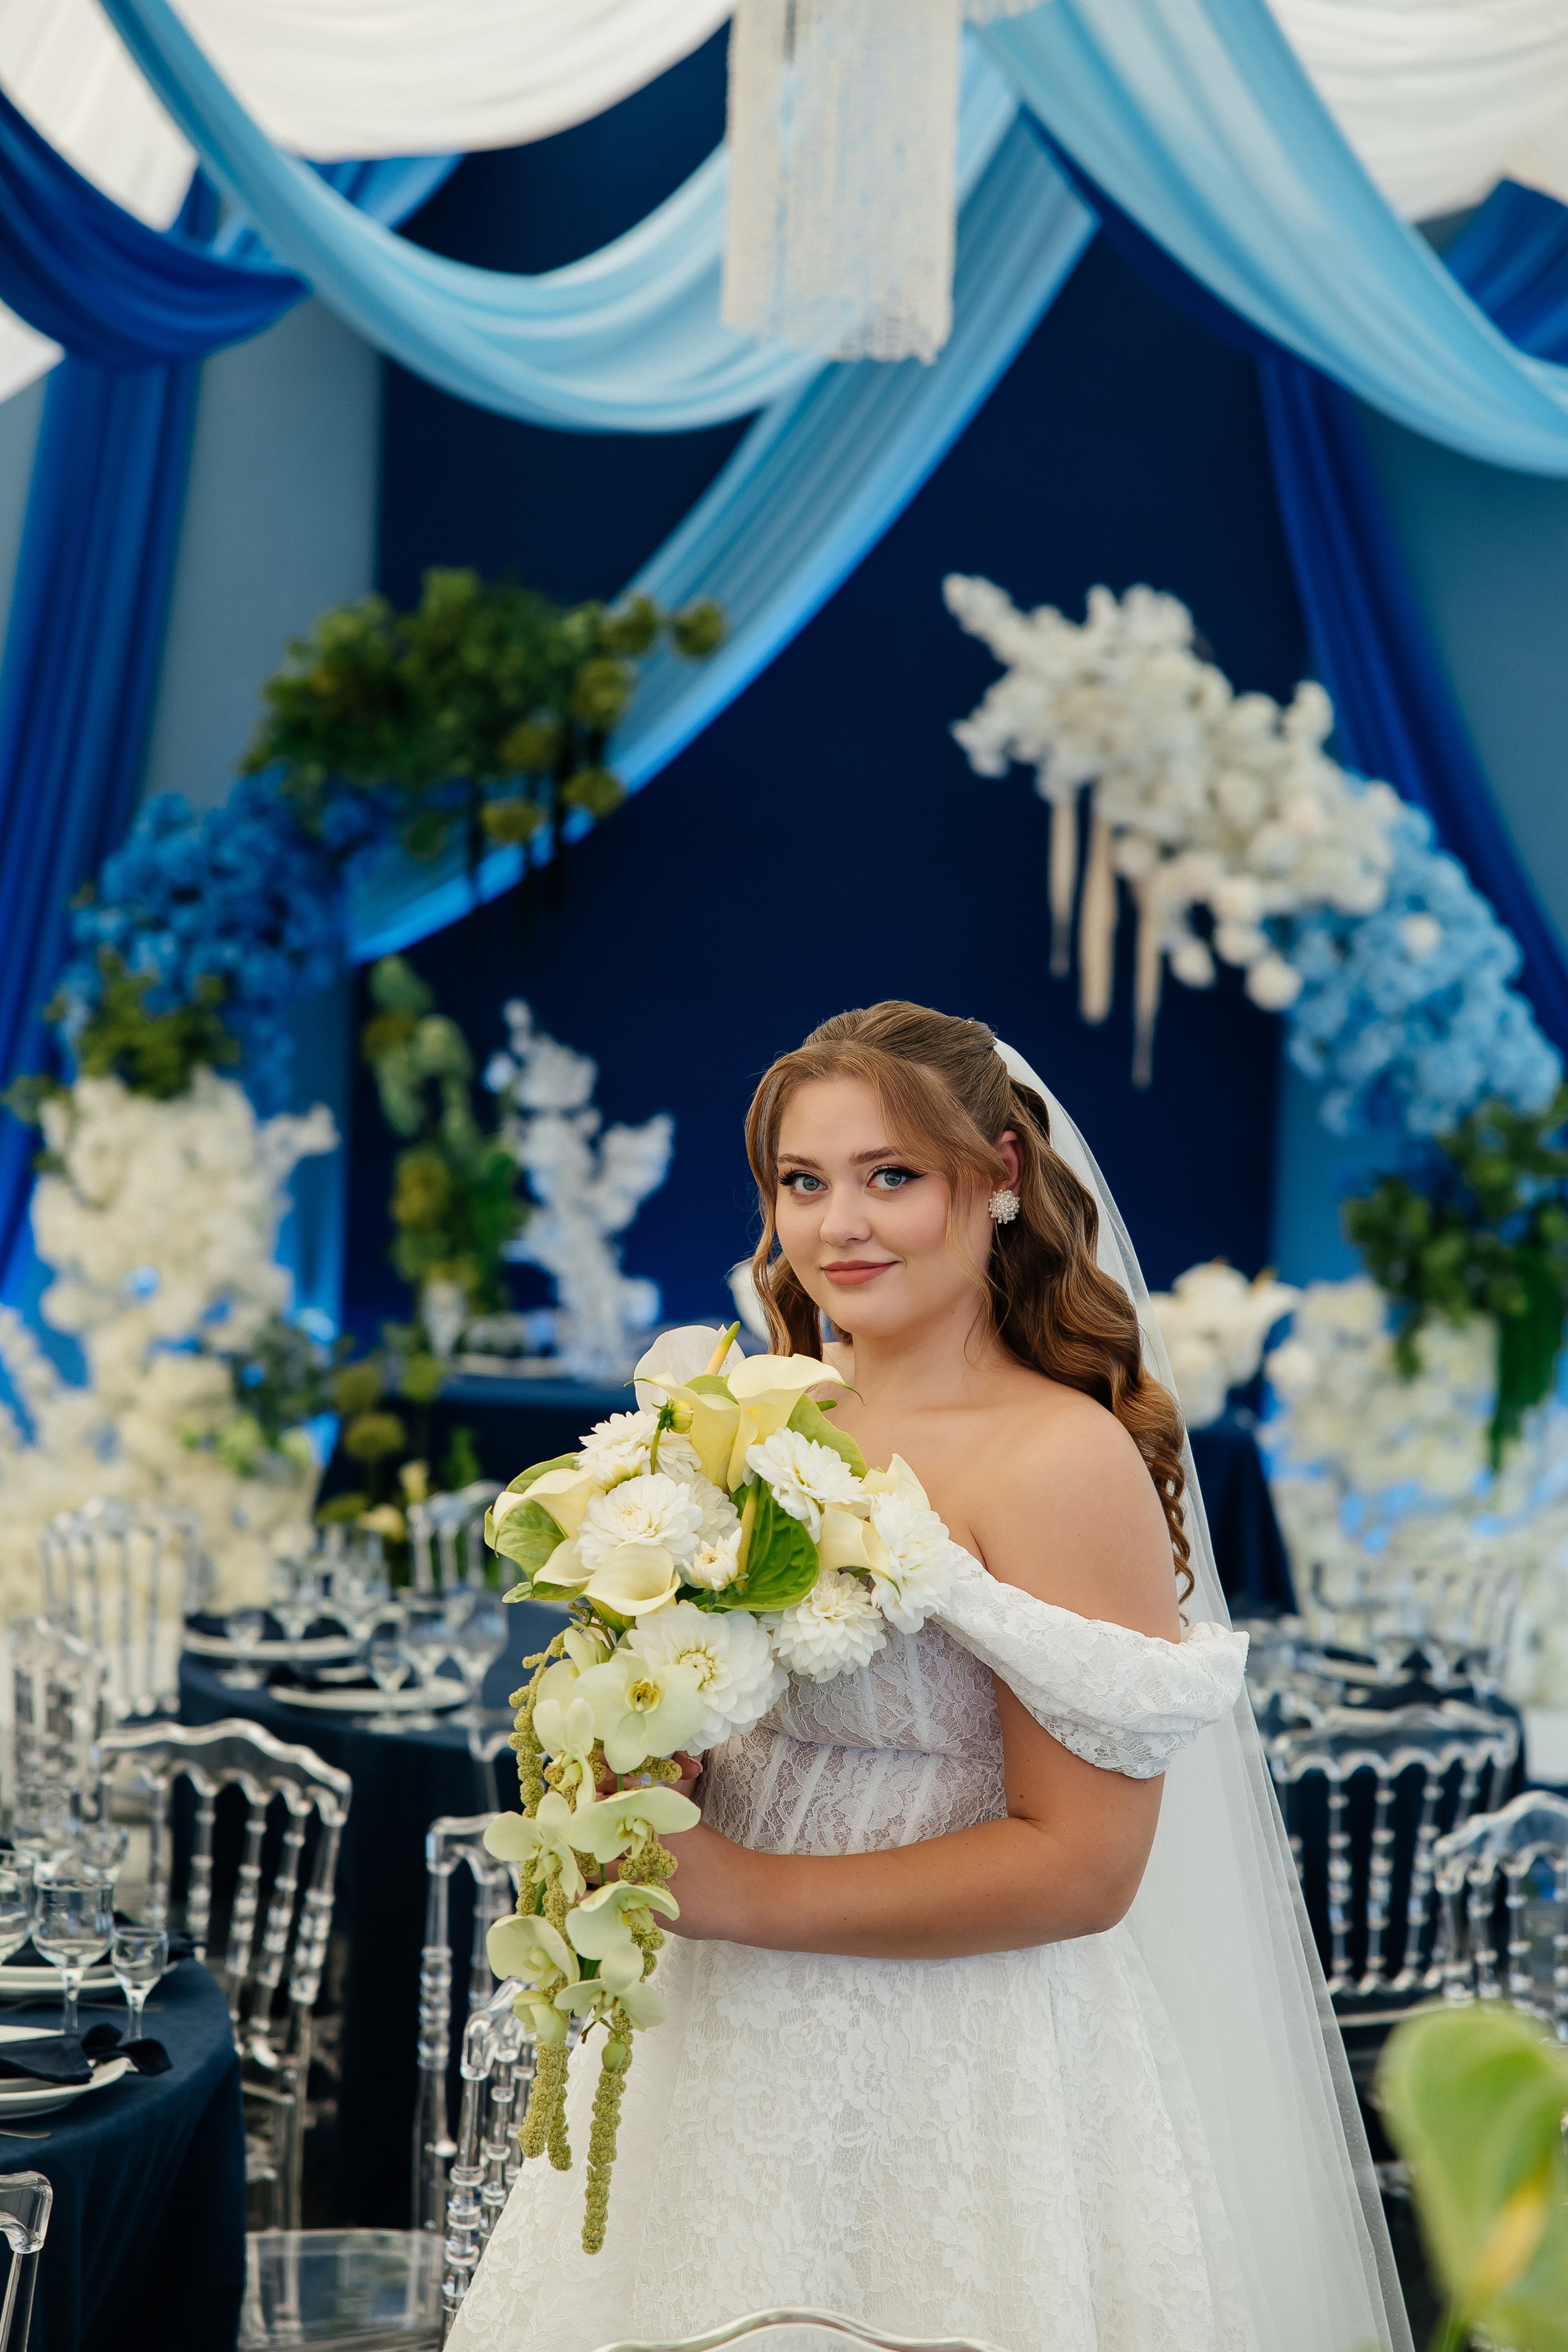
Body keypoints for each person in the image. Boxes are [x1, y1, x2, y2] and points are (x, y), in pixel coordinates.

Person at [448, 1001, 1409, 2352]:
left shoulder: (1056, 1461)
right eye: (804, 1182)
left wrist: (739, 1892)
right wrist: (638, 1767)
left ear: (999, 1179)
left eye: (890, 1176)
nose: (840, 1225)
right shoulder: (750, 1417)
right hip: (715, 2049)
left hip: (955, 2063)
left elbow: (1084, 1868)